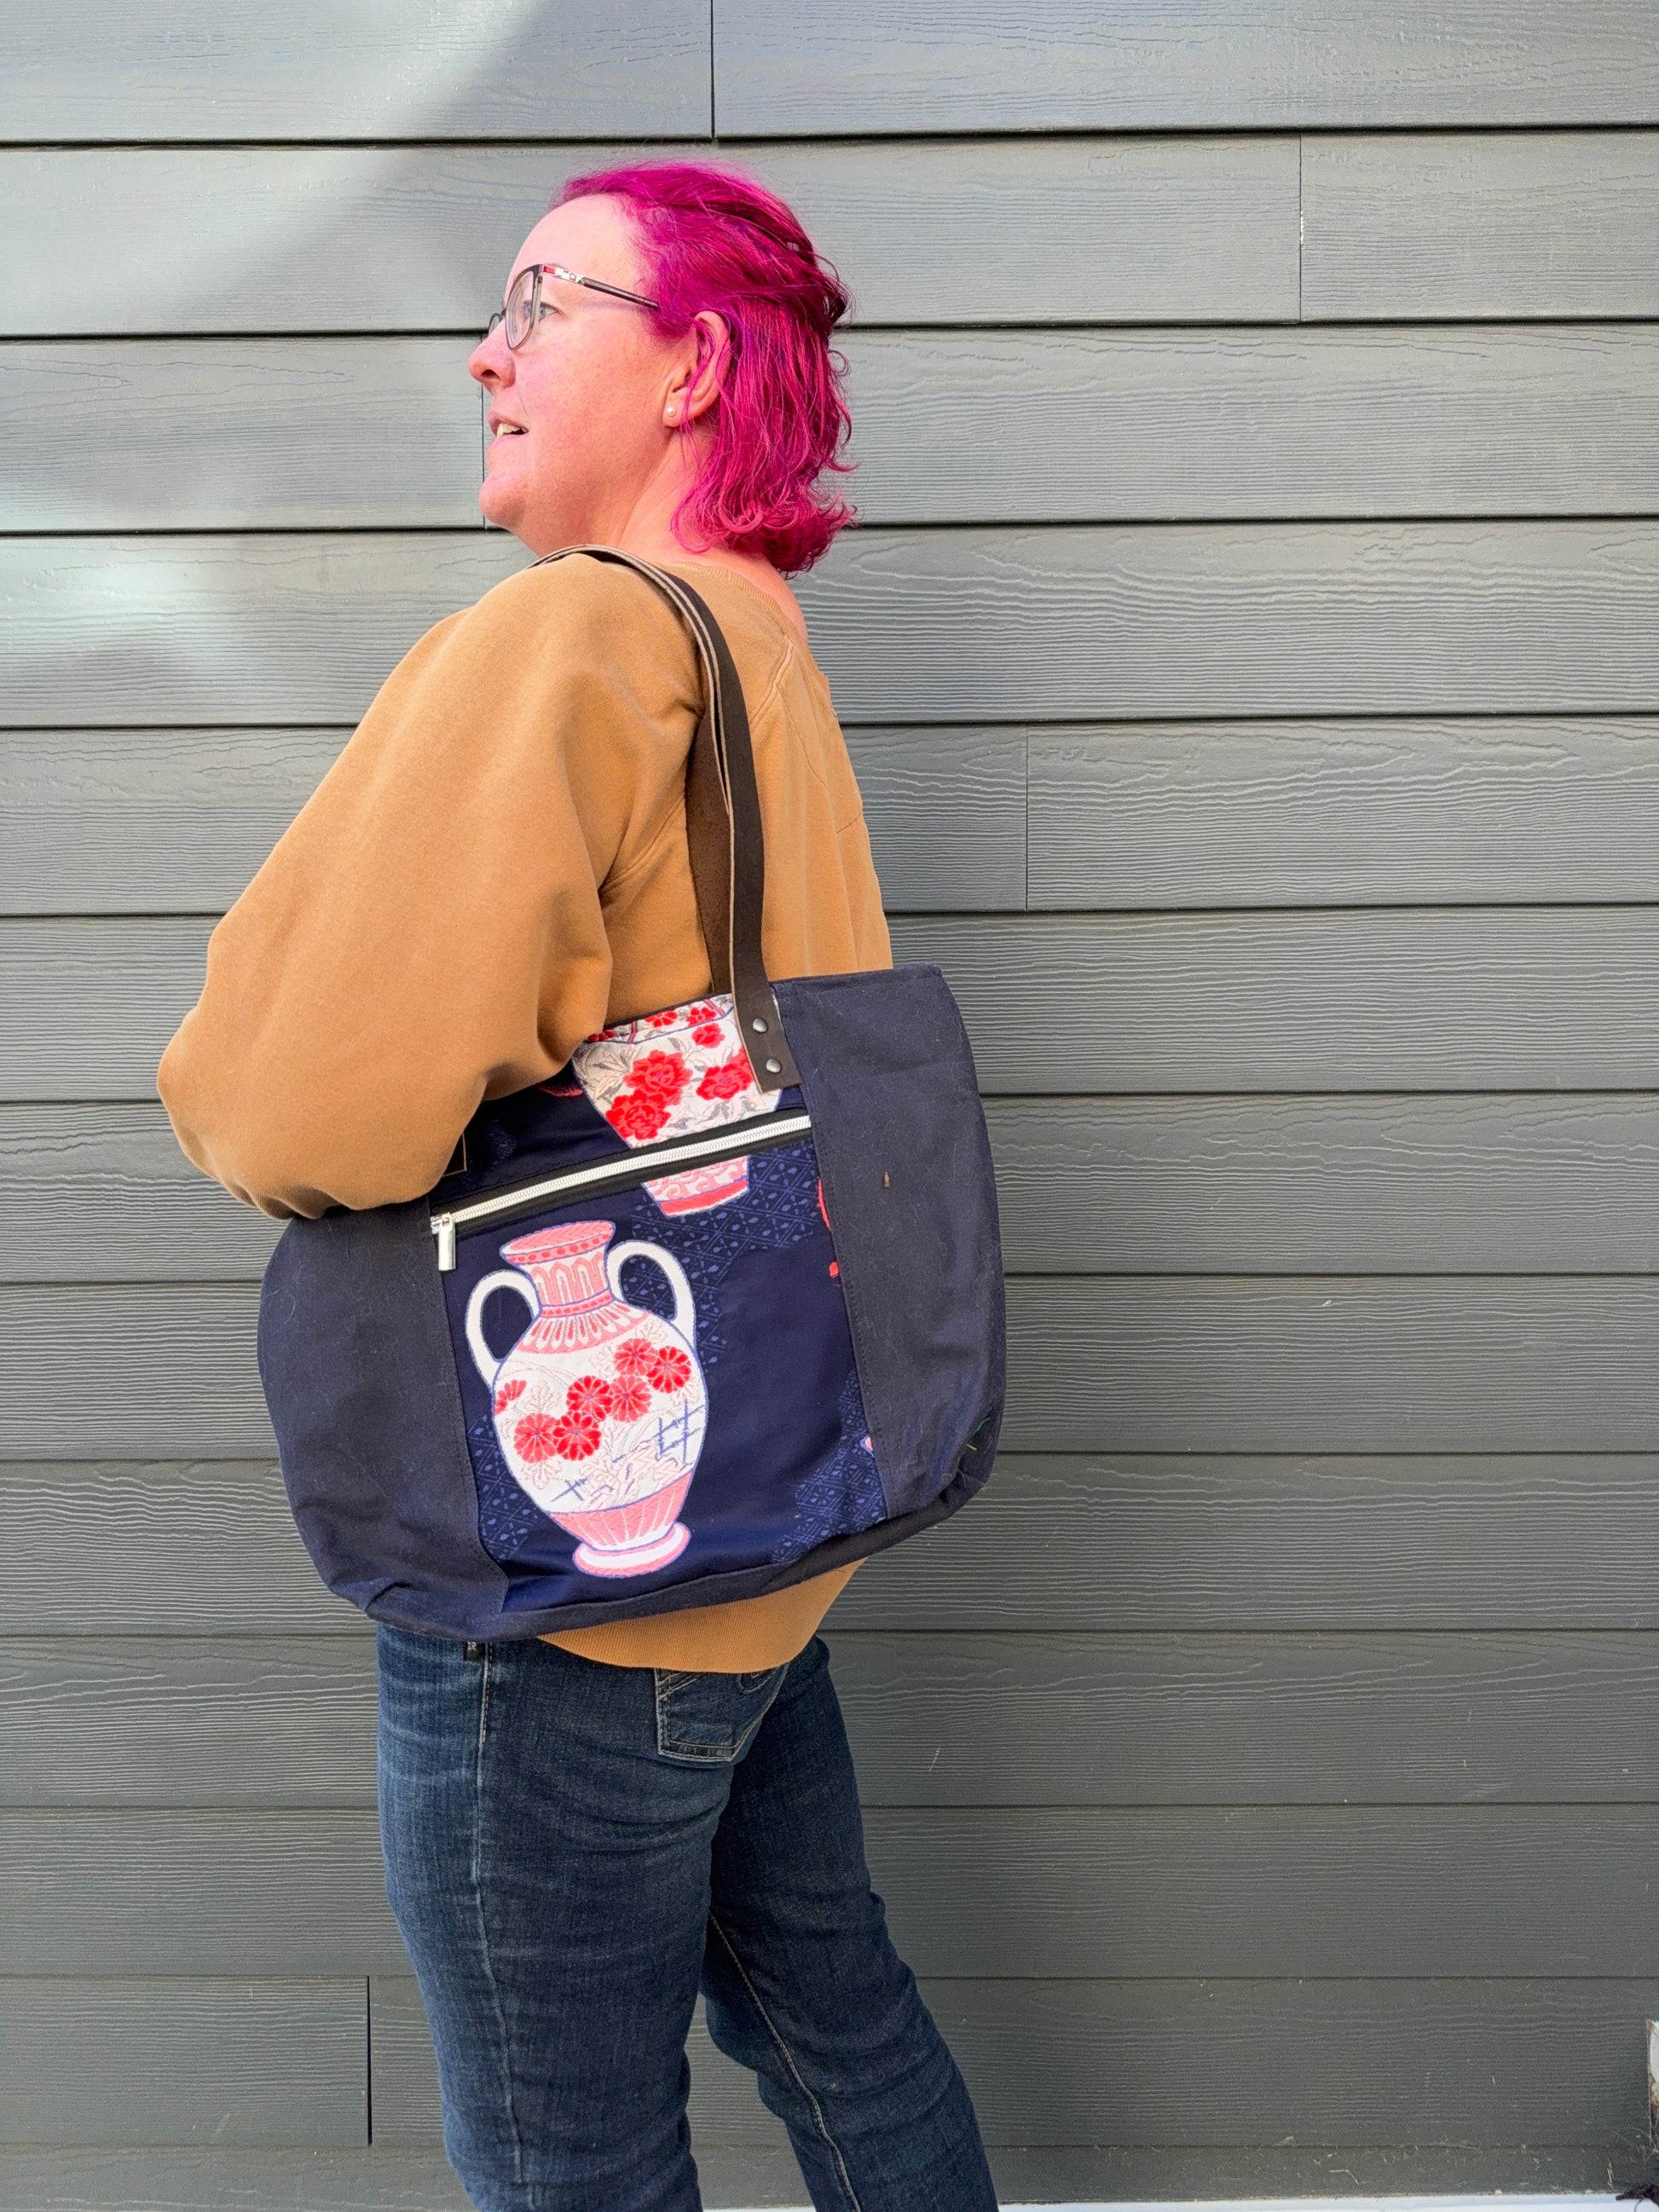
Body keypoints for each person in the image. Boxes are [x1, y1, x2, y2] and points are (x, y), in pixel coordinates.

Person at [156, 160, 999, 2212]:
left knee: (564, 2154)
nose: (487, 347)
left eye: (544, 299)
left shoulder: (566, 646)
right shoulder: (755, 643)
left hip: (572, 1588)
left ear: (697, 361)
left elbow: (301, 1111)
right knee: (838, 2012)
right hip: (756, 1528)